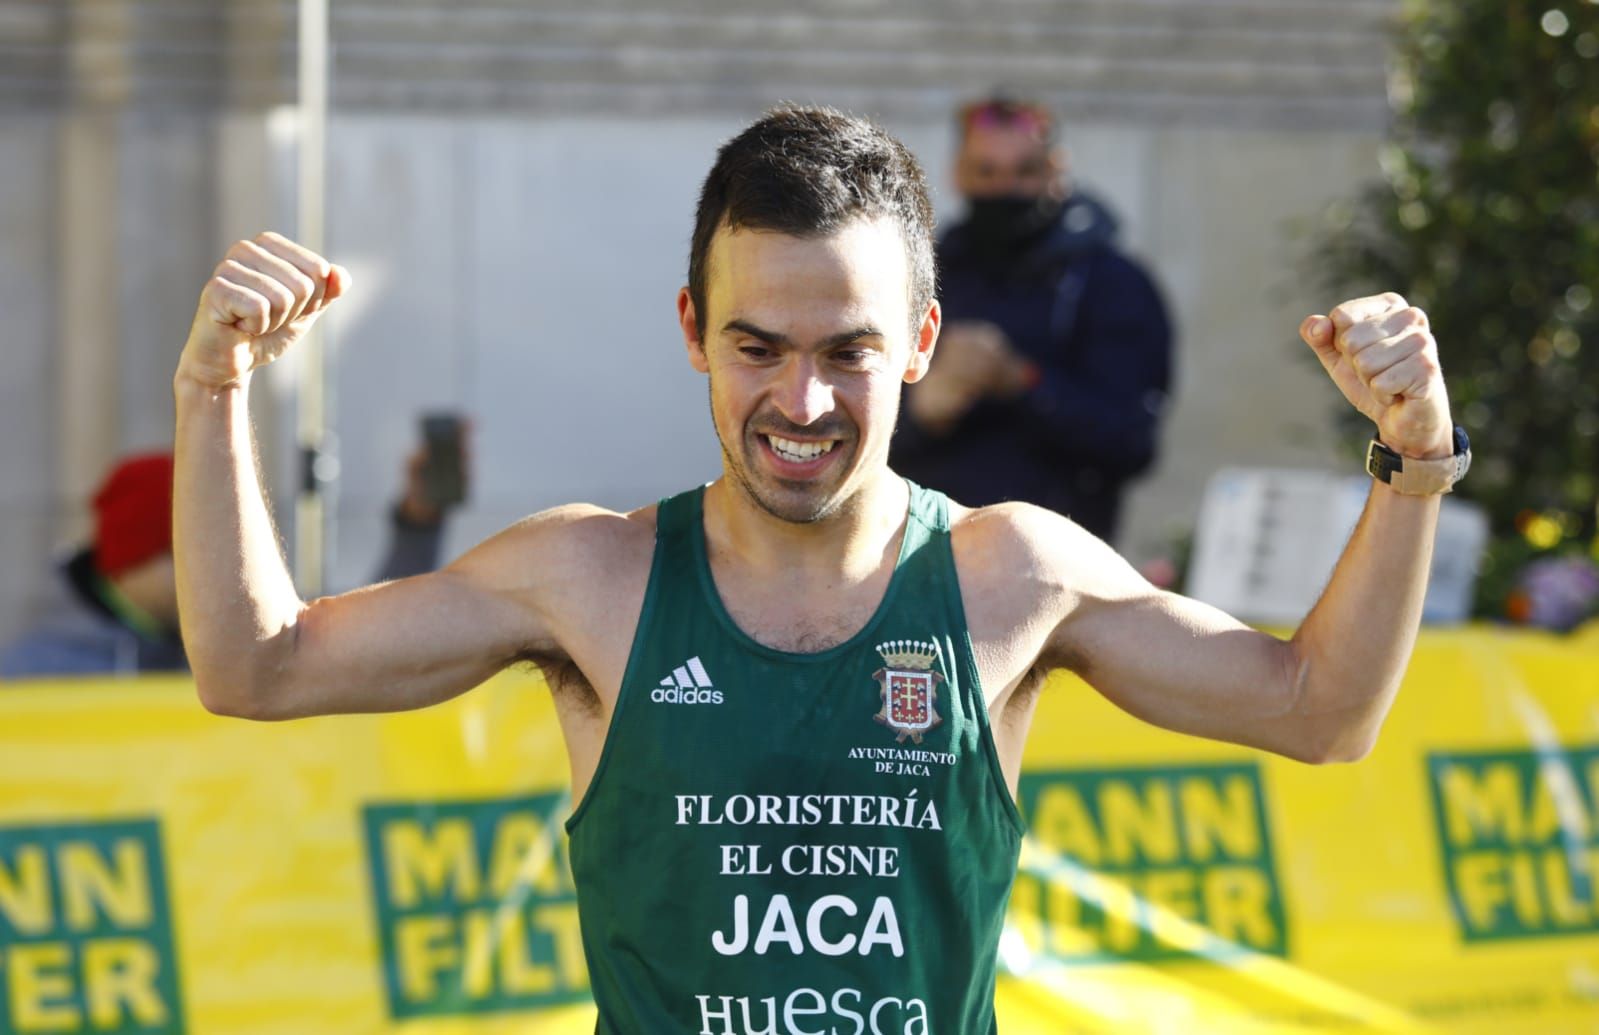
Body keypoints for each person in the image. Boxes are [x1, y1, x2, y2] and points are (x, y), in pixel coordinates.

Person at [172, 108, 1464, 1033]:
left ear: (920, 340)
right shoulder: (587, 575)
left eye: (847, 349)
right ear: (691, 330)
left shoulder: (1010, 574)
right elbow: (254, 664)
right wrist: (212, 385)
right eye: (756, 345)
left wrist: (1410, 460)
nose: (801, 399)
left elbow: (1320, 710)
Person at [892, 96, 1173, 542]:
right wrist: (922, 411)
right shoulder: (923, 275)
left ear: (1055, 170)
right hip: (922, 554)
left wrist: (1022, 381)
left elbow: (1132, 441)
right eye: (986, 171)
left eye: (1024, 171)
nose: (1005, 188)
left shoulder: (1112, 285)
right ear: (957, 174)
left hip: (1062, 559)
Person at [0, 433, 465, 680]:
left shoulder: (247, 638)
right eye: (187, 554)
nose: (217, 575)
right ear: (130, 562)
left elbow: (373, 639)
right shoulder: (34, 674)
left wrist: (418, 523)